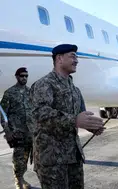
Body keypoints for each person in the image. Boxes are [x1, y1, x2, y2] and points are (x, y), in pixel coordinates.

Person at [30, 44, 105, 189]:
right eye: (72, 56)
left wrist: (92, 126)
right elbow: (40, 113)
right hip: (52, 160)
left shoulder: (75, 89)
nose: (76, 60)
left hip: (73, 157)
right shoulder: (44, 84)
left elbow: (81, 116)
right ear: (59, 58)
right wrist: (75, 120)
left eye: (76, 57)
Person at [1, 67, 34, 189]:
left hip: (30, 133)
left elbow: (34, 111)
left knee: (25, 160)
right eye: (21, 76)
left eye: (26, 76)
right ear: (16, 77)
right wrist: (8, 131)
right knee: (18, 160)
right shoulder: (9, 93)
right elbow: (3, 114)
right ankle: (18, 183)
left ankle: (22, 178)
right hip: (17, 133)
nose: (24, 78)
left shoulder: (30, 92)